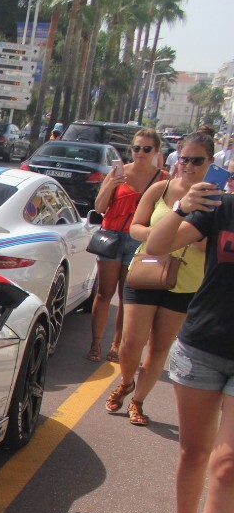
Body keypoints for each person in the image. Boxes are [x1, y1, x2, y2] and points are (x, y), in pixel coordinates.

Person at [144, 144, 234, 513]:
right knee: (195, 450)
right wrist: (182, 206)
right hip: (203, 345)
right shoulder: (221, 207)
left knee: (227, 463)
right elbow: (156, 245)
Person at [109, 131, 211, 428]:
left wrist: (175, 232)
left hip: (186, 281)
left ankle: (138, 400)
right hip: (147, 271)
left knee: (158, 347)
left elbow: (205, 245)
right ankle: (126, 381)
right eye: (185, 159)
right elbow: (135, 228)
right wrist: (165, 234)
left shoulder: (214, 202)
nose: (189, 165)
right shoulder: (160, 189)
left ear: (210, 162)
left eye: (197, 160)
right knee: (130, 342)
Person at [87, 128, 162, 363]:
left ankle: (117, 344)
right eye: (136, 148)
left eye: (146, 149)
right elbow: (99, 207)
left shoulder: (163, 179)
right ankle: (96, 343)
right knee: (104, 292)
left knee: (126, 296)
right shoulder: (118, 173)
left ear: (156, 151)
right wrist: (110, 185)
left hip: (139, 239)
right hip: (112, 236)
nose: (140, 153)